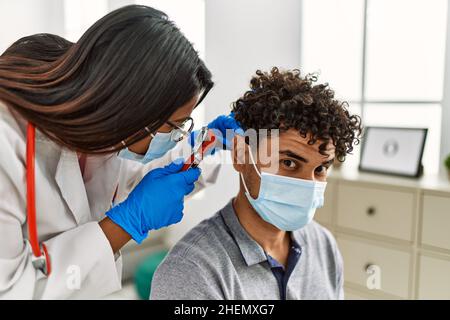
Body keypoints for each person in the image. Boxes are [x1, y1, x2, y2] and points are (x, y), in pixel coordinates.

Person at [0, 5, 241, 299]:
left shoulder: (105, 136)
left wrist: (207, 144)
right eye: (176, 126)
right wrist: (126, 222)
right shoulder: (6, 143)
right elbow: (11, 289)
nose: (179, 137)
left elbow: (143, 173)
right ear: (132, 108)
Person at [150, 67, 362, 300]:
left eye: (320, 169)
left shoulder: (323, 245)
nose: (307, 184)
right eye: (289, 163)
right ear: (240, 156)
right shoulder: (190, 272)